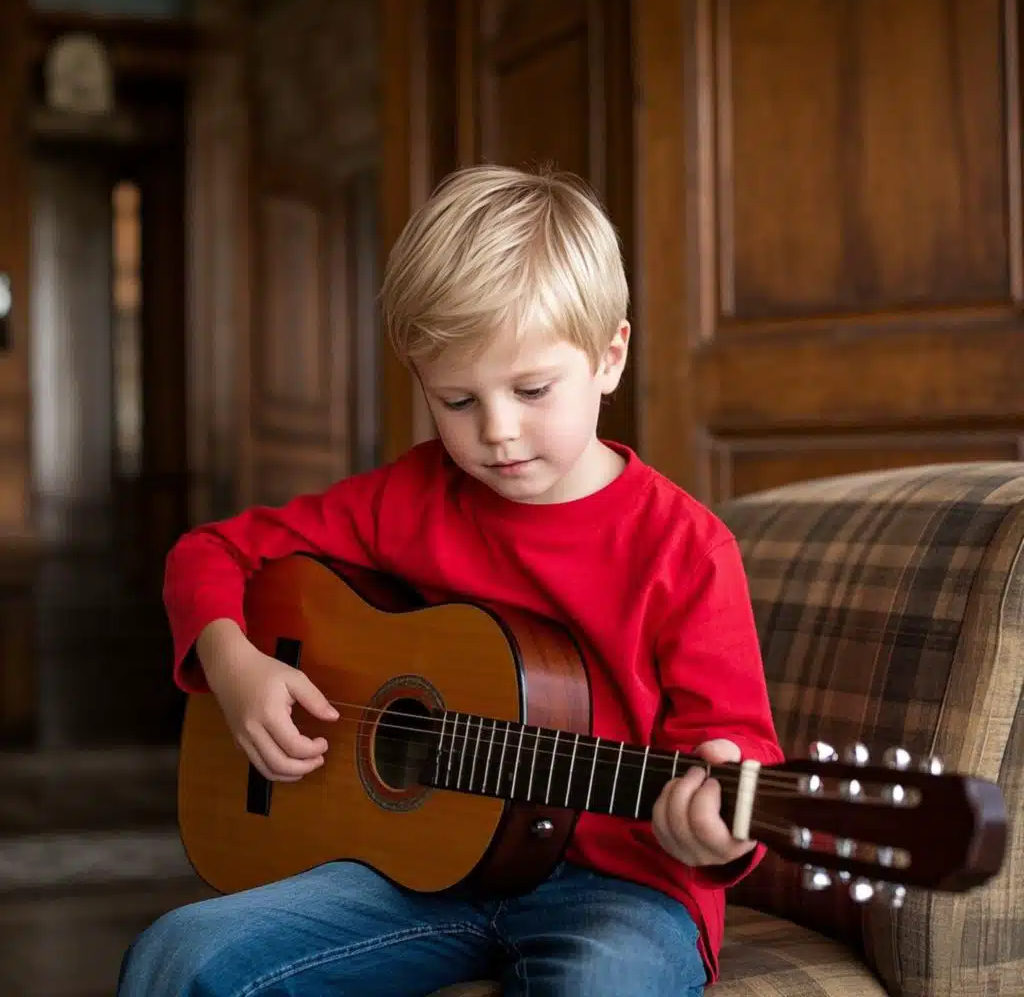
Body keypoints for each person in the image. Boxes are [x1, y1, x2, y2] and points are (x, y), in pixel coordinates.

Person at [118, 164, 783, 997]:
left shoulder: (684, 550)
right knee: (181, 955)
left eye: (532, 389)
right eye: (456, 401)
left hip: (624, 892)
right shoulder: (416, 496)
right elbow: (208, 552)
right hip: (418, 876)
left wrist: (714, 829)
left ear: (609, 355)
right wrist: (236, 665)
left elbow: (738, 750)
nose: (497, 434)